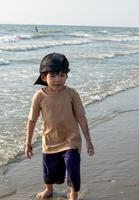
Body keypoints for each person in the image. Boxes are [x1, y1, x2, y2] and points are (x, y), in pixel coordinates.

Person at [25, 52, 95, 200]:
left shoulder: (72, 94)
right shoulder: (39, 96)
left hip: (71, 140)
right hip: (49, 142)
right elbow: (32, 120)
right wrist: (28, 143)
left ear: (67, 76)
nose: (58, 79)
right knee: (49, 172)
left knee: (72, 167)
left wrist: (88, 140)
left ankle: (73, 193)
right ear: (44, 77)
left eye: (62, 75)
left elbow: (81, 117)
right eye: (53, 75)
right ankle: (48, 189)